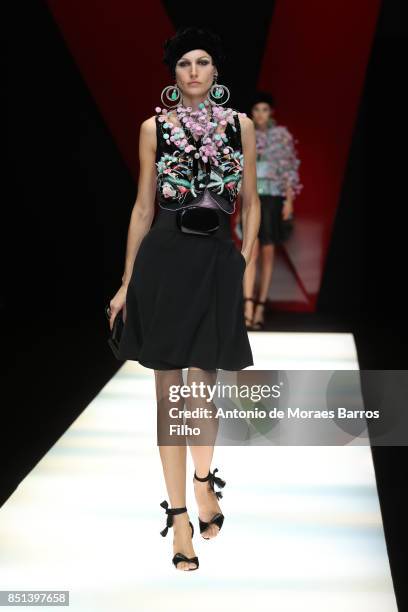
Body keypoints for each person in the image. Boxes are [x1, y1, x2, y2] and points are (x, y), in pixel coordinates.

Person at [107, 27, 260, 571]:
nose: (193, 71)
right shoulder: (155, 128)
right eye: (184, 64)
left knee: (203, 391)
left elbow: (251, 204)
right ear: (173, 75)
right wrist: (127, 282)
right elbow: (143, 207)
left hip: (217, 261)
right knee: (169, 394)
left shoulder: (240, 126)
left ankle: (202, 480)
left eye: (203, 62)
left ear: (216, 72)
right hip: (165, 261)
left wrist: (244, 271)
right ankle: (178, 518)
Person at [240, 91, 302, 330]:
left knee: (267, 253)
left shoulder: (281, 136)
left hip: (274, 198)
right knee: (250, 251)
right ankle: (247, 306)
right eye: (256, 110)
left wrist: (289, 201)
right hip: (251, 196)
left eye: (264, 109)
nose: (260, 114)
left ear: (271, 112)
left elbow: (288, 169)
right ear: (252, 113)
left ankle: (260, 307)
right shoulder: (247, 134)